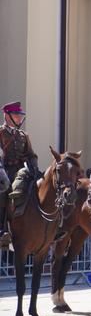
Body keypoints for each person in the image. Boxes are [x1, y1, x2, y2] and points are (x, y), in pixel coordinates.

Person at [0, 101, 39, 245]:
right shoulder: (1, 133)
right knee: (3, 192)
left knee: (39, 188)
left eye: (19, 115)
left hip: (22, 172)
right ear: (7, 116)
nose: (19, 118)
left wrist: (34, 169)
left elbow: (31, 155)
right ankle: (2, 229)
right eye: (16, 115)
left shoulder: (23, 135)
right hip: (4, 172)